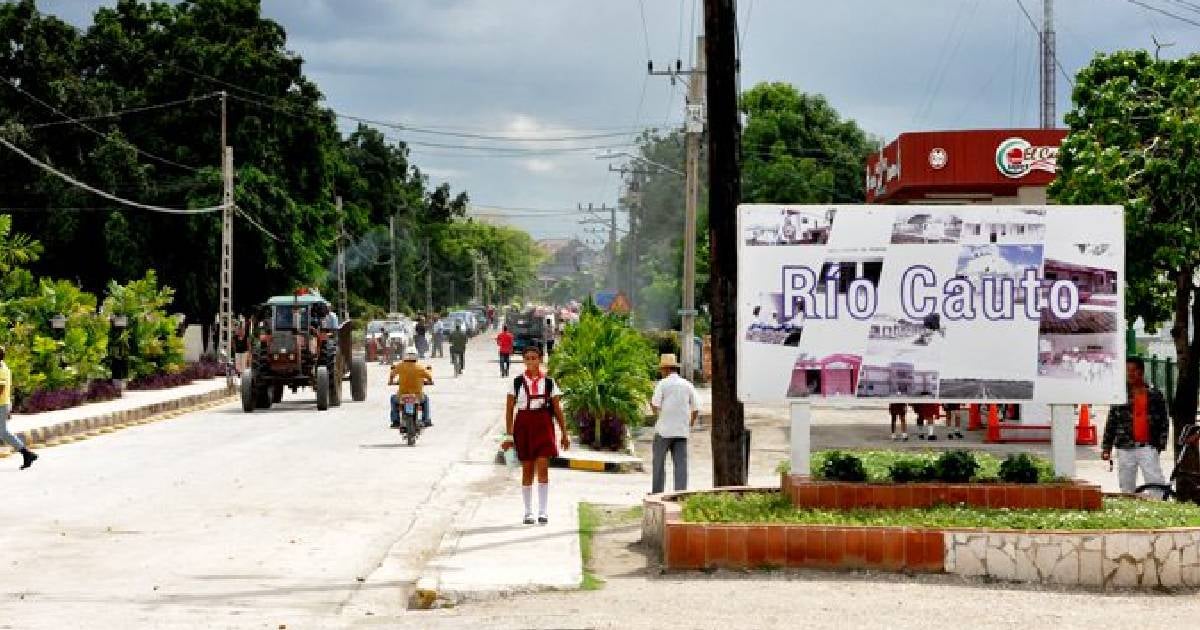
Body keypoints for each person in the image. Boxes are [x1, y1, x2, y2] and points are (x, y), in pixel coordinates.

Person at [502, 346, 570, 524]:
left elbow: (557, 408)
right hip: (523, 425)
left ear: (540, 359)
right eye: (528, 358)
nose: (531, 361)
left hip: (543, 425)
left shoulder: (549, 383)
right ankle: (527, 512)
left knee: (543, 468)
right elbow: (509, 410)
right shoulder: (516, 382)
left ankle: (543, 511)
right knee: (527, 470)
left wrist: (564, 432)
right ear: (524, 361)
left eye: (534, 358)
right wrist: (509, 436)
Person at [1102, 357, 1170, 494]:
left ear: (1142, 371)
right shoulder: (1120, 394)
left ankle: (1159, 508)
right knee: (1126, 486)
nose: (1130, 374)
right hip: (1125, 447)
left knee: (1155, 483)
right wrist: (1106, 447)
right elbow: (1112, 421)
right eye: (1127, 370)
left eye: (1134, 370)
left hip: (1148, 447)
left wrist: (1160, 445)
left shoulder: (1154, 394)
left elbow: (1164, 421)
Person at [650, 354, 700, 494]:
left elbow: (654, 404)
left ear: (665, 369)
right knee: (681, 465)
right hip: (681, 431)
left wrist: (659, 416)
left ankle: (657, 493)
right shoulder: (687, 384)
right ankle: (680, 494)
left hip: (663, 431)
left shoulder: (662, 384)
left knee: (659, 463)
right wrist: (690, 423)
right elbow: (696, 408)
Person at [0, 346, 37, 469]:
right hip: (4, 404)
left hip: (1, 405)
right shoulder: (4, 367)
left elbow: (0, 390)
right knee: (3, 432)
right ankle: (27, 454)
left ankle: (26, 453)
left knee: (3, 433)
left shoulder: (2, 370)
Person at [387, 348, 433, 428]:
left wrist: (391, 382)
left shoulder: (400, 366)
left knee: (393, 399)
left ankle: (395, 421)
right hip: (417, 396)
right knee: (426, 399)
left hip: (402, 396)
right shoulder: (420, 367)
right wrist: (430, 381)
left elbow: (392, 374)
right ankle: (426, 420)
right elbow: (429, 376)